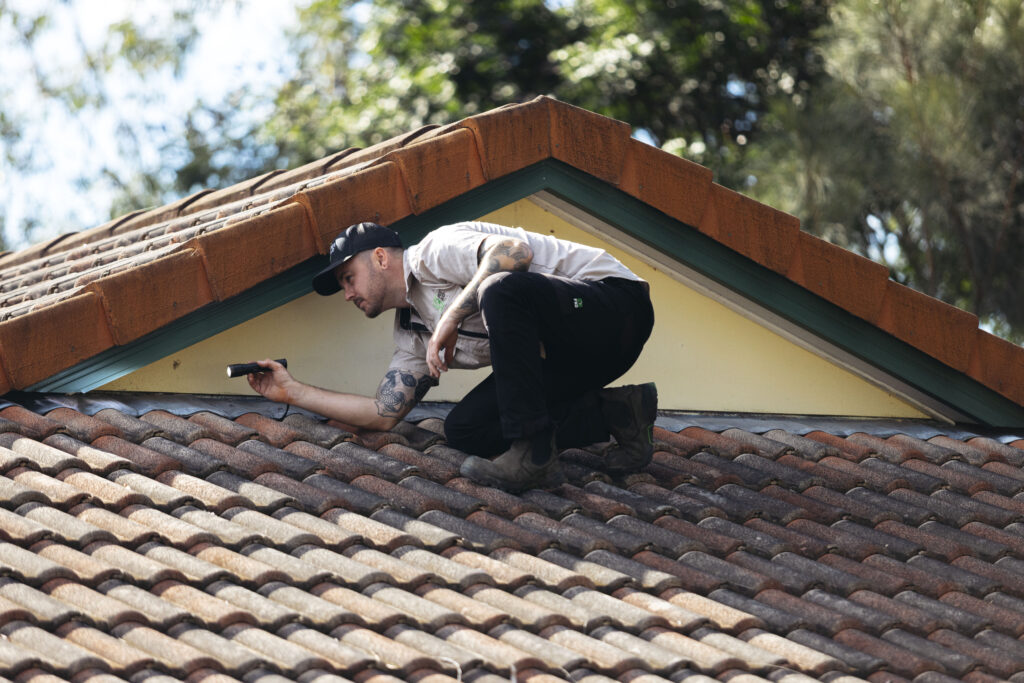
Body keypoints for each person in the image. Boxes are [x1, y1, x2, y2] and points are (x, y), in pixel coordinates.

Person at [248, 220, 657, 492]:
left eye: (348, 278)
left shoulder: (433, 251)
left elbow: (514, 252)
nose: (348, 294)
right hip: (576, 359)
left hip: (615, 308)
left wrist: (453, 315)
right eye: (343, 286)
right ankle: (619, 412)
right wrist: (292, 392)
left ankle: (534, 455)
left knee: (500, 288)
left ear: (380, 257)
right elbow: (383, 413)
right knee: (466, 430)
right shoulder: (412, 332)